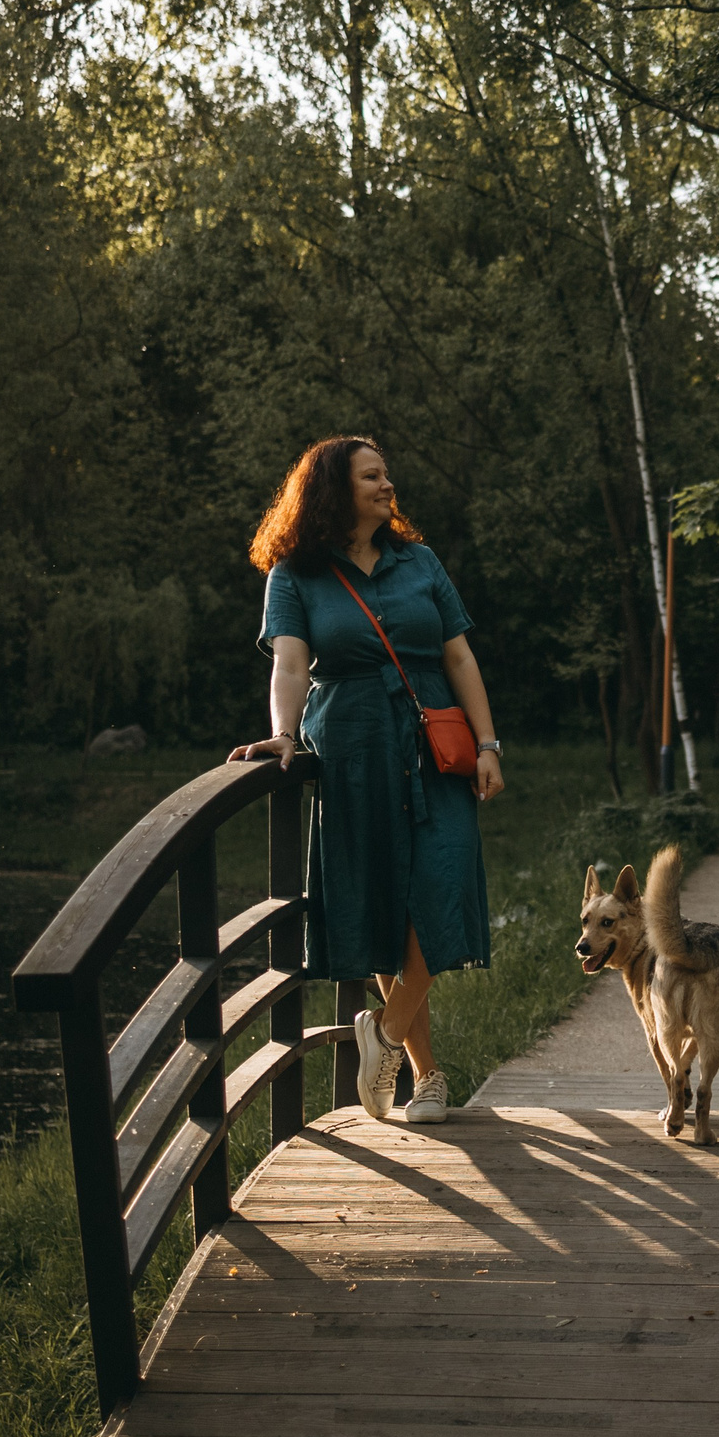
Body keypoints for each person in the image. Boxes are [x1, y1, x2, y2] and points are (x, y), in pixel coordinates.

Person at [230, 437, 506, 1125]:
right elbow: (291, 665)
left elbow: (459, 654)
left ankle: (380, 1033)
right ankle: (427, 1074)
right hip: (352, 747)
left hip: (433, 741)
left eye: (387, 473)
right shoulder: (295, 574)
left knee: (441, 885)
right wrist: (285, 734)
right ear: (333, 489)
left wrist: (489, 742)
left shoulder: (420, 560)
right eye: (372, 476)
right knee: (383, 901)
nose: (389, 484)